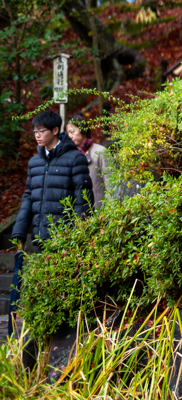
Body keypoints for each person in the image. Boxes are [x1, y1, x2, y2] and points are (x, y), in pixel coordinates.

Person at [7, 111, 92, 338]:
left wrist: (76, 233)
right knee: (42, 288)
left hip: (65, 238)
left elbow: (83, 199)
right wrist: (19, 230)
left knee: (63, 290)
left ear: (55, 131)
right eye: (34, 131)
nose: (37, 135)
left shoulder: (75, 158)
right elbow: (28, 197)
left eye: (41, 131)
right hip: (40, 235)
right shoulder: (34, 162)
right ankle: (42, 339)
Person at [65, 113, 111, 209]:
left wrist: (110, 214)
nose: (70, 136)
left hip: (99, 213)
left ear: (84, 130)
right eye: (68, 133)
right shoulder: (69, 155)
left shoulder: (100, 152)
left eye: (72, 132)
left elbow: (110, 185)